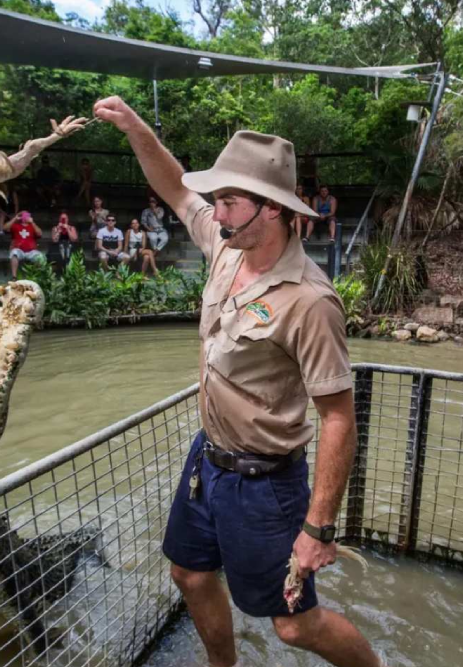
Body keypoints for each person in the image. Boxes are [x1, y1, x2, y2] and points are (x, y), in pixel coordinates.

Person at [95, 96, 383, 667]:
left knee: (294, 626)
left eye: (229, 200)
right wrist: (134, 128)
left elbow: (338, 418)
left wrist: (318, 529)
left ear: (271, 208)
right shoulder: (227, 248)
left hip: (266, 486)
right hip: (208, 463)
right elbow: (177, 188)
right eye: (218, 200)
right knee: (189, 574)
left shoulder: (309, 302)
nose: (216, 211)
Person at [3, 210, 45, 277]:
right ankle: (14, 277)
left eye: (28, 215)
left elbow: (40, 233)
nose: (27, 217)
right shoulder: (16, 226)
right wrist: (15, 218)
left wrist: (32, 222)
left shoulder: (32, 226)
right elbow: (5, 228)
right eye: (25, 215)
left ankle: (37, 276)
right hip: (19, 250)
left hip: (31, 251)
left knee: (40, 257)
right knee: (14, 253)